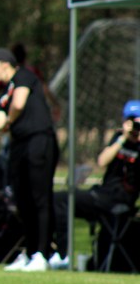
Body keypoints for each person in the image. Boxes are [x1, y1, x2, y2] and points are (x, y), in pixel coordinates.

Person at [0, 47, 59, 273]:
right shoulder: (3, 95)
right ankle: (31, 251)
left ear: (5, 64)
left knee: (39, 198)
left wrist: (8, 121)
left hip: (38, 141)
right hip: (19, 145)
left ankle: (43, 254)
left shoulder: (23, 76)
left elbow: (19, 103)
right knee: (22, 201)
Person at [52, 100, 140, 268]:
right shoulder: (118, 139)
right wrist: (122, 138)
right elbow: (102, 161)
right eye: (131, 119)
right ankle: (61, 254)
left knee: (62, 200)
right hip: (100, 196)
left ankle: (64, 256)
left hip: (121, 201)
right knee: (59, 199)